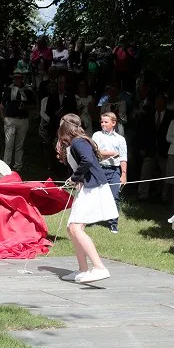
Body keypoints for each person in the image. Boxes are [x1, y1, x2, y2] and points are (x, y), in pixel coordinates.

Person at [56, 113, 116, 283]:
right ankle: (83, 269)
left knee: (76, 228)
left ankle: (99, 268)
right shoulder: (74, 144)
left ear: (65, 127)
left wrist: (75, 177)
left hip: (95, 188)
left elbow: (87, 160)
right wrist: (76, 179)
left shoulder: (79, 142)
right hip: (87, 188)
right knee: (71, 229)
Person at [92, 112, 127, 233]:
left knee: (114, 196)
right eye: (102, 122)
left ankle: (113, 223)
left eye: (106, 122)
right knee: (96, 195)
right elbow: (96, 152)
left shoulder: (120, 139)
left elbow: (123, 157)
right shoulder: (97, 135)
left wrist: (123, 174)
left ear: (113, 123)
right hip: (100, 168)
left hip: (114, 170)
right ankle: (93, 218)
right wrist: (111, 153)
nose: (103, 124)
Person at [0, 68, 36, 172]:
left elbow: (34, 105)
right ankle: (6, 165)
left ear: (22, 78)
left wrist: (25, 107)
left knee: (20, 144)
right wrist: (4, 118)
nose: (17, 80)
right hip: (10, 119)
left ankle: (18, 165)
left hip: (23, 119)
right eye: (16, 78)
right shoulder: (9, 89)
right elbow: (2, 104)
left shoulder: (28, 90)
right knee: (9, 143)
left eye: (19, 78)